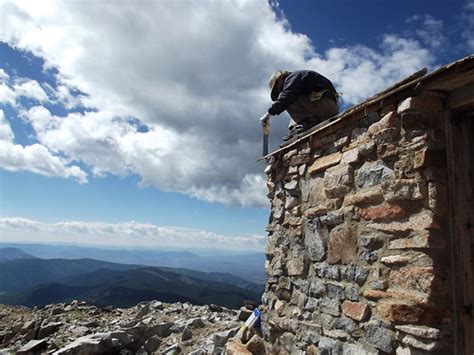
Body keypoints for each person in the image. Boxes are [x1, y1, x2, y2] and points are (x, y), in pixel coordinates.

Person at [259, 70, 339, 142]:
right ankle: (300, 126)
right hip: (325, 107)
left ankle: (309, 122)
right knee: (293, 122)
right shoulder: (297, 80)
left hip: (326, 105)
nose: (280, 91)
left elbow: (287, 96)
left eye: (277, 88)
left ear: (279, 79)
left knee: (287, 99)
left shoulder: (293, 77)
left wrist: (268, 114)